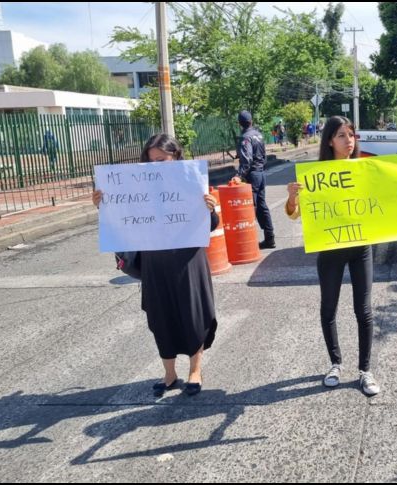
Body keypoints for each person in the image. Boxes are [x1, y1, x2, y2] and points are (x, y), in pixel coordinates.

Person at [284, 115, 397, 396]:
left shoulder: (366, 169)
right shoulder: (316, 176)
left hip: (361, 249)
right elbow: (295, 214)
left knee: (364, 310)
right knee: (328, 309)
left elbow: (384, 200)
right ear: (330, 141)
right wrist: (292, 198)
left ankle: (365, 371)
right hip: (330, 249)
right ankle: (335, 364)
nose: (349, 140)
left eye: (352, 134)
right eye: (342, 135)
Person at [92, 134, 219, 397]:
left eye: (162, 160)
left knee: (193, 317)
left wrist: (211, 209)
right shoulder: (136, 189)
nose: (156, 167)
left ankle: (195, 370)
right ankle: (169, 373)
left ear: (175, 157)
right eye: (151, 162)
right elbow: (122, 222)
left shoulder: (193, 183)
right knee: (161, 318)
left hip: (188, 261)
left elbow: (210, 226)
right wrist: (103, 207)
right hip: (155, 264)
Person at [231, 110, 275, 249]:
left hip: (252, 175)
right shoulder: (258, 135)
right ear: (251, 121)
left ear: (239, 123)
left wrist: (239, 175)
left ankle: (248, 242)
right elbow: (264, 156)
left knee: (250, 208)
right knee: (262, 206)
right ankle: (270, 238)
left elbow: (247, 159)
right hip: (261, 173)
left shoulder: (245, 137)